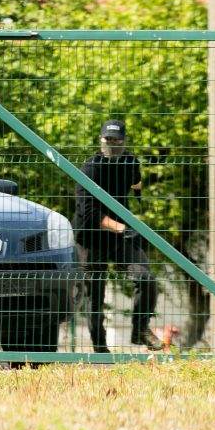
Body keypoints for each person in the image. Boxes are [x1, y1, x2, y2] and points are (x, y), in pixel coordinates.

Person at [73, 119, 162, 353]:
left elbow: (136, 182)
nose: (112, 144)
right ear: (100, 140)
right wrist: (123, 227)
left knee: (145, 278)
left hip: (121, 234)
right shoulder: (90, 168)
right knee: (95, 296)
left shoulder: (130, 161)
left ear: (124, 142)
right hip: (91, 237)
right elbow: (91, 213)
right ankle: (101, 350)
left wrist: (137, 188)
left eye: (117, 140)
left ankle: (140, 330)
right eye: (108, 139)